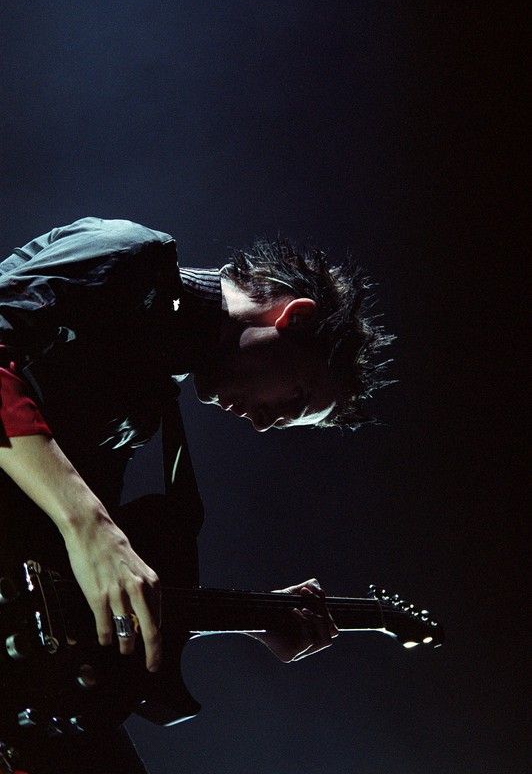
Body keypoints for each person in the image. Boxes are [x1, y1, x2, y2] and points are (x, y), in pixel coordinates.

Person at [0, 217, 393, 773]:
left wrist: (251, 617)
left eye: (283, 423)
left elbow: (58, 582)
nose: (261, 423)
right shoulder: (132, 256)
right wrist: (90, 525)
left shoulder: (148, 398)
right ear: (293, 315)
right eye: (295, 397)